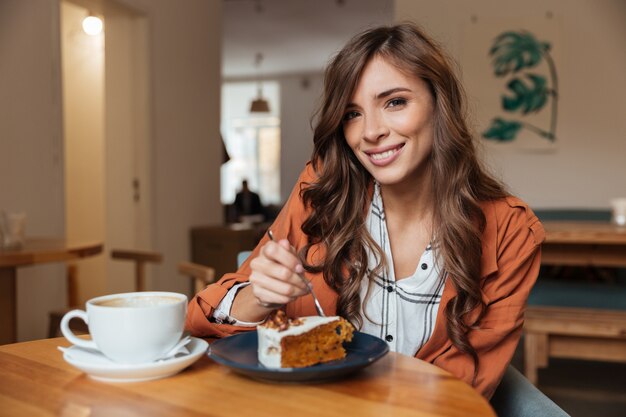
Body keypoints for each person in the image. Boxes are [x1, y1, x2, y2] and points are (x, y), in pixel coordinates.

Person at [186, 23, 544, 399]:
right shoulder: (321, 190)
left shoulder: (510, 231)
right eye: (352, 113)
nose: (370, 132)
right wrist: (257, 298)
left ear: (440, 105)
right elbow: (201, 319)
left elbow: (467, 388)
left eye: (394, 102)